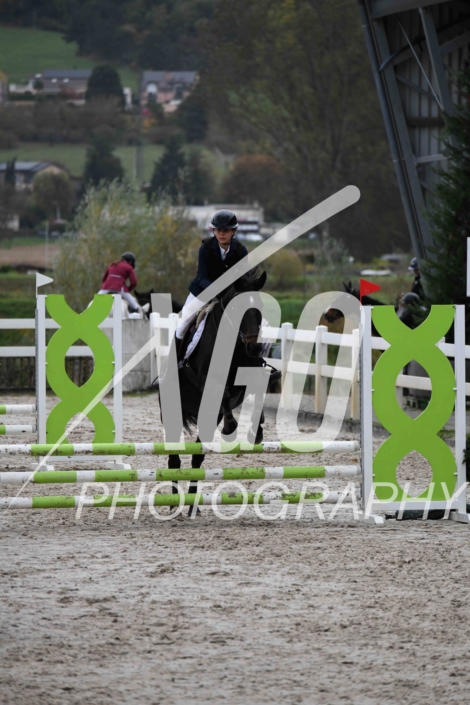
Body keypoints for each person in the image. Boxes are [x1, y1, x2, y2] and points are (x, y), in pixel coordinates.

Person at [175, 209, 281, 384]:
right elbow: (202, 277)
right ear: (214, 231)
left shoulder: (240, 250)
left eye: (226, 230)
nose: (222, 233)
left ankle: (259, 366)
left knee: (254, 324)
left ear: (233, 231)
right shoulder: (205, 248)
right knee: (182, 324)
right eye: (218, 230)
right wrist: (217, 290)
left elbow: (244, 277)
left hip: (231, 295)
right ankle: (173, 367)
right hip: (202, 292)